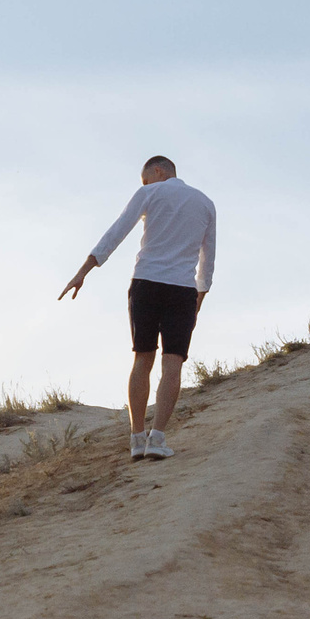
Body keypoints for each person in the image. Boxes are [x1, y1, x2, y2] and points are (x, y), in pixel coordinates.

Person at [59, 154, 216, 461]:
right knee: (173, 364)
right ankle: (157, 439)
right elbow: (207, 258)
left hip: (146, 283)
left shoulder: (149, 192)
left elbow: (117, 231)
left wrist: (83, 271)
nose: (144, 184)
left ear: (157, 171)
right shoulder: (206, 203)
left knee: (142, 358)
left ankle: (136, 438)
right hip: (182, 289)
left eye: (145, 179)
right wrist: (198, 300)